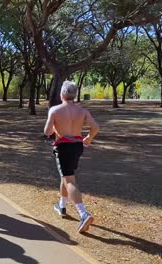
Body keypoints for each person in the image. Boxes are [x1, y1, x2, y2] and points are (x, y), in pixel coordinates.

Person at [44, 80, 99, 233]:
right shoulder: (82, 111)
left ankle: (83, 214)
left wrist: (54, 126)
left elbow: (47, 132)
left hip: (63, 146)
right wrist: (89, 138)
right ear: (74, 95)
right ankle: (61, 206)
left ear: (62, 94)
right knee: (66, 176)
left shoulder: (55, 110)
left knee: (69, 180)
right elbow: (95, 127)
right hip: (77, 146)